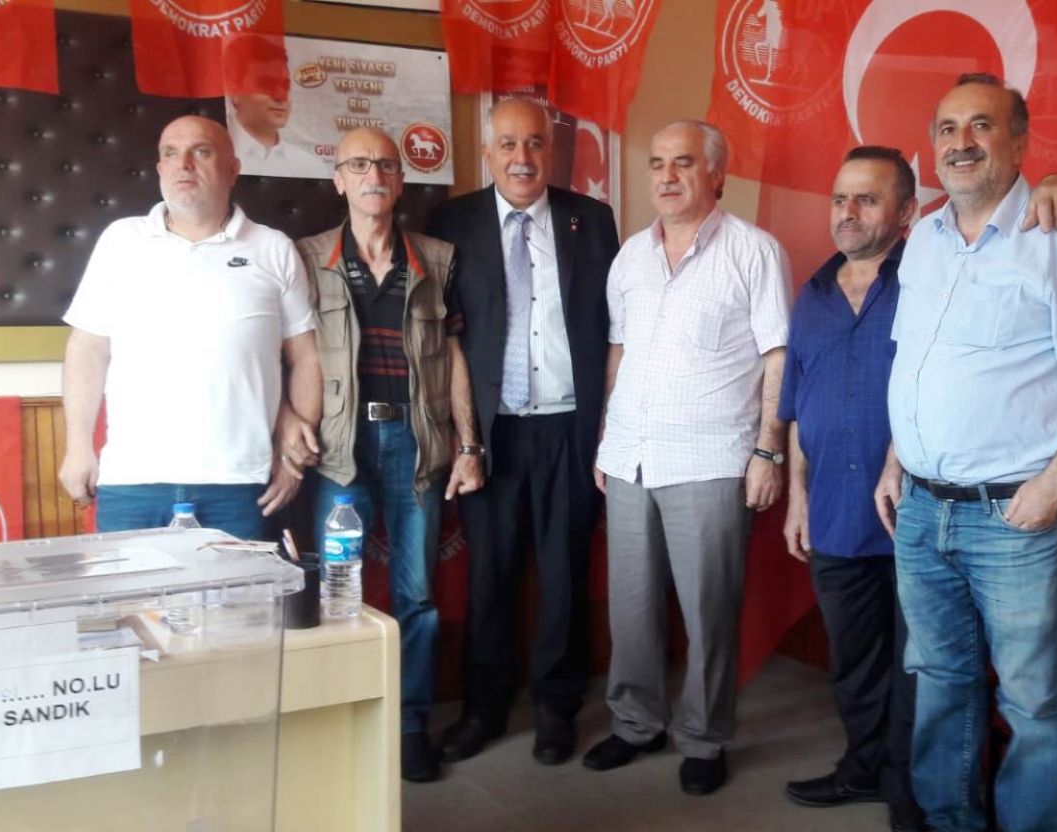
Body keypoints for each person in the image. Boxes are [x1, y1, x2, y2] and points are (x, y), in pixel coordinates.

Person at [779, 147, 1057, 832]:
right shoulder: (815, 293)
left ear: (906, 212)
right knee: (857, 661)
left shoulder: (929, 267)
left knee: (928, 672)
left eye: (866, 199)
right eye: (839, 199)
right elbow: (796, 402)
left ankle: (914, 797)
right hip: (839, 510)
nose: (847, 213)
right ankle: (868, 770)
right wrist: (796, 494)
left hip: (919, 513)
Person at [876, 74, 1057, 832]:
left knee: (1033, 699)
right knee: (942, 678)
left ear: (1019, 143)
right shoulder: (923, 238)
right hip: (922, 506)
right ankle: (954, 824)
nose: (961, 142)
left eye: (981, 126)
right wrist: (895, 459)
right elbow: (917, 362)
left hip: (1015, 515)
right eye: (947, 127)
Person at [582, 119, 791, 796]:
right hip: (630, 456)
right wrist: (607, 437)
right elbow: (620, 352)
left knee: (709, 610)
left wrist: (768, 450)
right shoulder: (630, 258)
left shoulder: (754, 252)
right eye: (657, 163)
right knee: (631, 606)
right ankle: (636, 722)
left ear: (716, 175)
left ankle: (704, 736)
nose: (667, 177)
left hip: (711, 458)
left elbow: (778, 357)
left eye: (684, 163)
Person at [425, 98, 621, 767]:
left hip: (570, 426)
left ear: (550, 151)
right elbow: (446, 336)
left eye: (534, 143)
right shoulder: (451, 223)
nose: (522, 158)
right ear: (487, 153)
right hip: (490, 431)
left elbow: (615, 328)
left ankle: (556, 709)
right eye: (507, 144)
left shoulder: (592, 220)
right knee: (492, 576)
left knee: (564, 574)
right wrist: (463, 436)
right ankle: (483, 708)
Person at [296, 126, 484, 783]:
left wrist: (468, 444)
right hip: (338, 452)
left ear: (401, 181)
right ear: (338, 179)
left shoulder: (437, 259)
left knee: (417, 596)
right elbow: (289, 353)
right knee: (337, 592)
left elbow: (454, 356)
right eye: (358, 164)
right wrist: (290, 422)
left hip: (416, 446)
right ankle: (343, 721)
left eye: (384, 165)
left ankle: (410, 727)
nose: (372, 175)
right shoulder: (305, 258)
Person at [58, 115, 321, 541]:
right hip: (132, 481)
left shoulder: (274, 248)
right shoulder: (120, 241)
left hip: (241, 484)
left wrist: (293, 459)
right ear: (159, 168)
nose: (183, 164)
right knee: (133, 590)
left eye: (201, 151)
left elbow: (306, 357)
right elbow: (87, 348)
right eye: (170, 153)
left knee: (242, 591)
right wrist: (77, 447)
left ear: (232, 169)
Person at [223, 35, 295, 178]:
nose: (280, 97)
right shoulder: (216, 157)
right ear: (234, 91)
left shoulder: (309, 164)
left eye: (285, 86)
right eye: (266, 84)